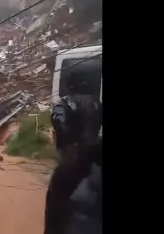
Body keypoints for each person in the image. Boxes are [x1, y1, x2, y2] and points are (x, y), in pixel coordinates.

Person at [44, 70, 102, 234]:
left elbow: (58, 120)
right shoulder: (97, 102)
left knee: (57, 195)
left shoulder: (66, 102)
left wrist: (67, 141)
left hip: (74, 155)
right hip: (95, 155)